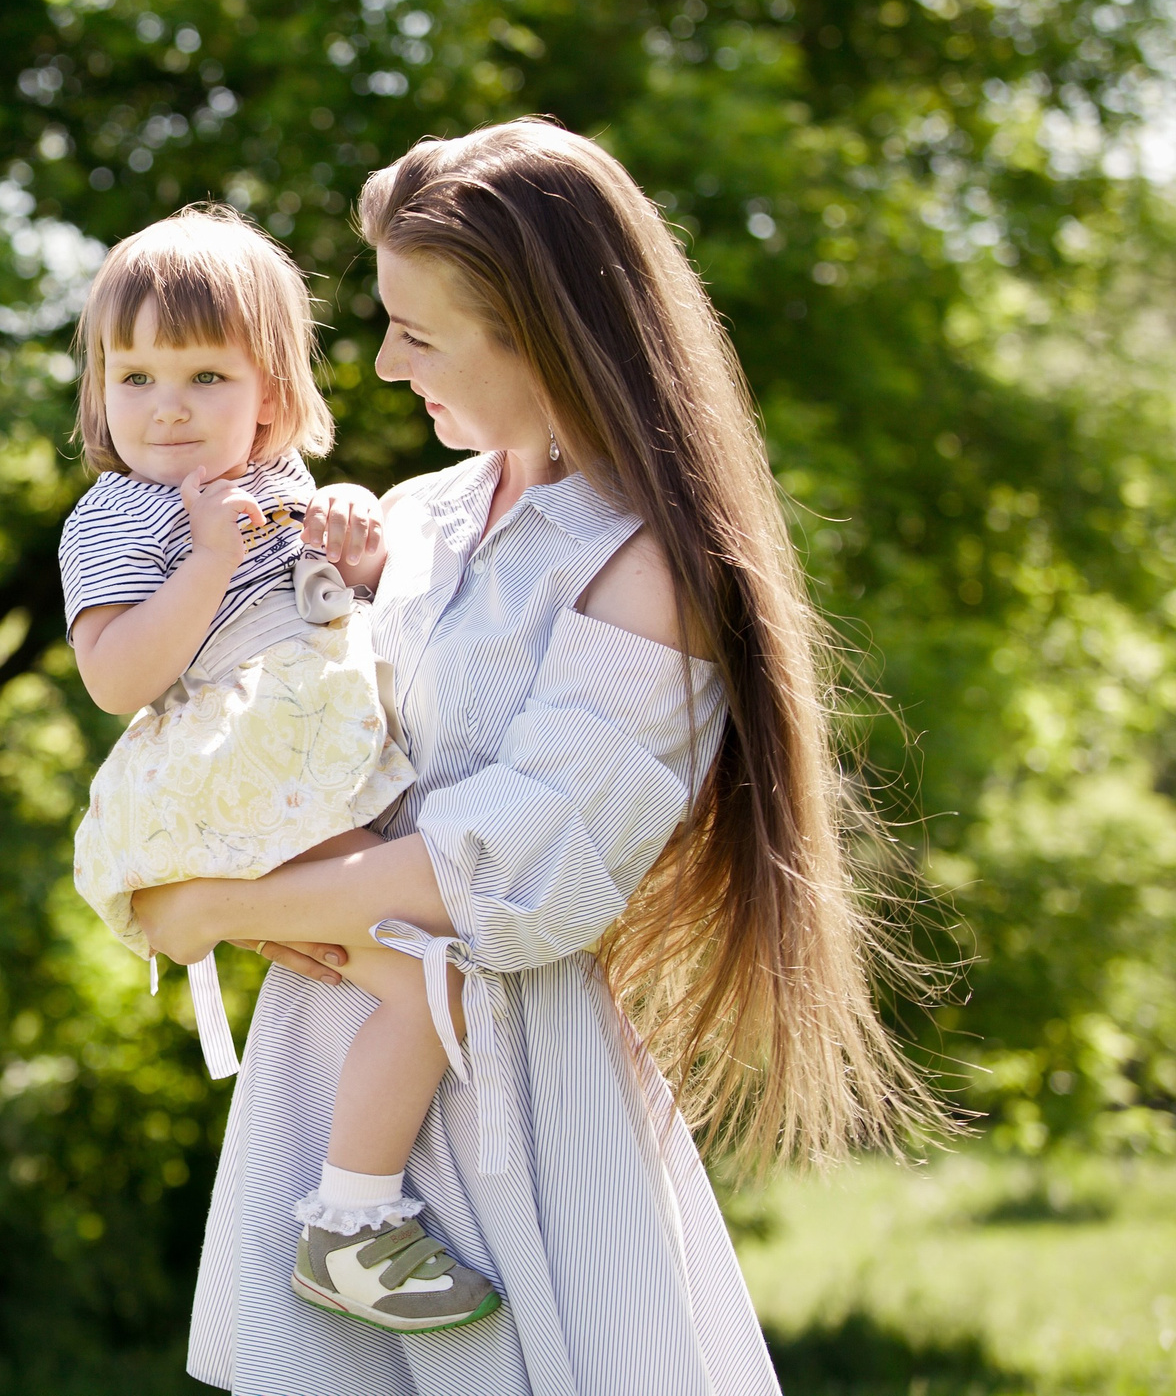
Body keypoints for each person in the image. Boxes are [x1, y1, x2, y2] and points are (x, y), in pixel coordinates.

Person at [131, 120, 939, 1395]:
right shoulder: (412, 518)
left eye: (420, 334)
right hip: (330, 1051)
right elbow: (272, 729)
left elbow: (505, 867)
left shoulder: (642, 569)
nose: (385, 365)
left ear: (543, 338)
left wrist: (215, 906)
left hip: (501, 1086)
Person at [58, 204, 497, 1334]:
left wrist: (351, 556)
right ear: (99, 388)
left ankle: (358, 1208)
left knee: (421, 975)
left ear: (271, 390)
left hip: (302, 755)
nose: (166, 406)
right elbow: (114, 675)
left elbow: (322, 614)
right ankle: (350, 1222)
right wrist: (206, 560)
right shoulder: (118, 514)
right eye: (134, 376)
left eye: (205, 375)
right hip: (239, 769)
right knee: (431, 977)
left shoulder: (281, 478)